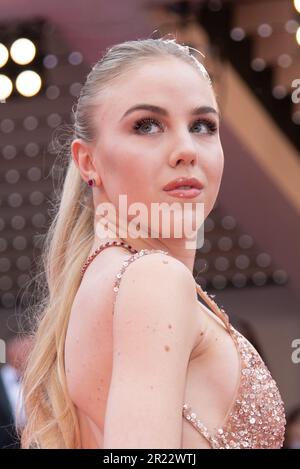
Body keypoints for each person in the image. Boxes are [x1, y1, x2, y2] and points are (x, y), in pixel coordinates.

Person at [20, 37, 286, 449]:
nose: (185, 150)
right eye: (147, 125)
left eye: (203, 125)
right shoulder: (152, 279)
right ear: (88, 161)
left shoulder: (109, 278)